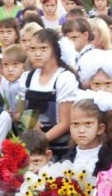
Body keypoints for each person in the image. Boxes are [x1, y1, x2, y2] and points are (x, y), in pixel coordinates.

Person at [18, 29, 79, 159]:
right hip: (31, 144)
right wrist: (29, 120)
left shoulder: (64, 78)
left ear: (55, 50)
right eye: (33, 49)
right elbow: (18, 112)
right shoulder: (26, 78)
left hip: (58, 147)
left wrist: (40, 141)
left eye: (43, 48)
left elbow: (66, 122)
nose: (37, 54)